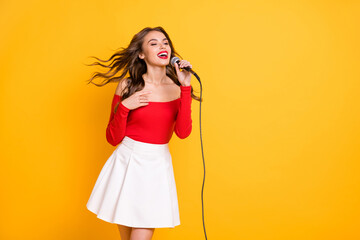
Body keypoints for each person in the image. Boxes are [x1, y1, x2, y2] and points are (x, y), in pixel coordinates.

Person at [85, 26, 202, 240]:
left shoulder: (177, 88)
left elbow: (183, 133)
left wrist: (185, 88)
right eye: (154, 43)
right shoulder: (127, 86)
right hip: (126, 163)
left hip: (156, 166)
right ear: (141, 54)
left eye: (165, 42)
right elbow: (112, 138)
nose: (162, 46)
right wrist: (124, 107)